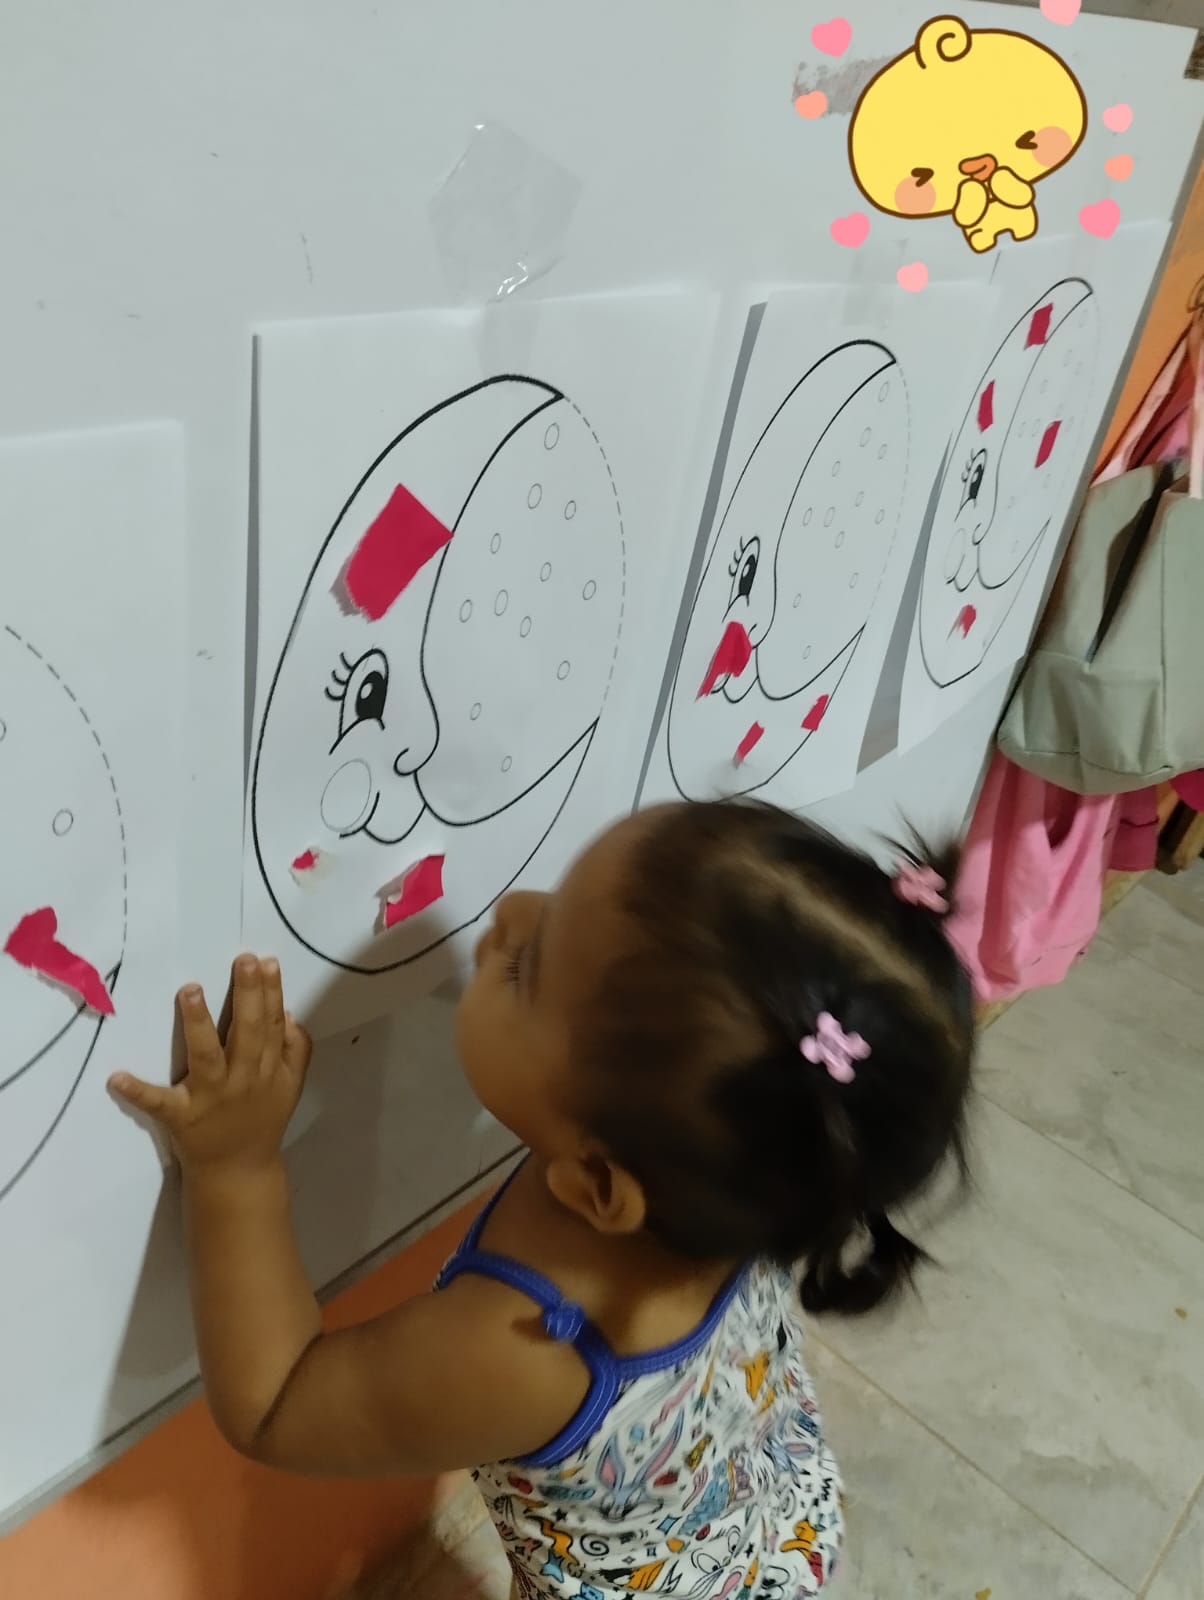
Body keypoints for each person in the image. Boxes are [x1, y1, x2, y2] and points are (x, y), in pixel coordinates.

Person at [111, 800, 975, 1598]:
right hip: (774, 1525)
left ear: (597, 1185)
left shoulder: (523, 1345)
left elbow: (275, 1405)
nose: (510, 909)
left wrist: (236, 1169)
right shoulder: (751, 1165)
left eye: (527, 967)